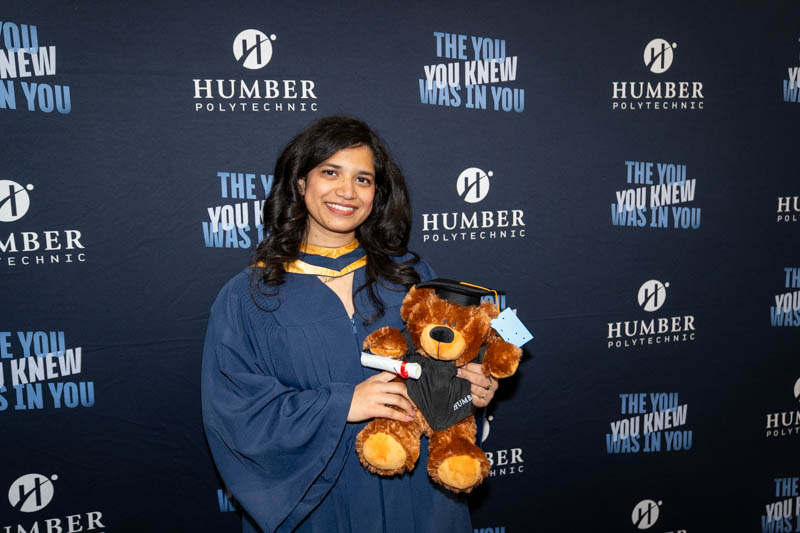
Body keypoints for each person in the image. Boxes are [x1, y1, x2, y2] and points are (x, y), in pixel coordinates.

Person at [201, 116, 499, 532]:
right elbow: (237, 416)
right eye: (330, 172)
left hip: (419, 500)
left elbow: (448, 375)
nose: (347, 191)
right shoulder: (248, 297)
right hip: (318, 506)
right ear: (300, 183)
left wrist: (473, 391)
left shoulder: (412, 278)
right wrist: (342, 404)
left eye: (363, 179)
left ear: (376, 194)